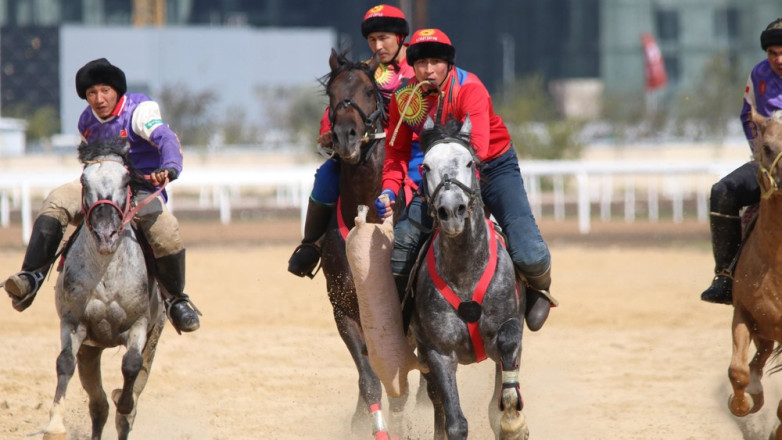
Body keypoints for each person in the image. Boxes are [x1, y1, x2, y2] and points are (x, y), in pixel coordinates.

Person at [374, 28, 556, 330]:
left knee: (529, 252)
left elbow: (479, 148)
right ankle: (403, 319)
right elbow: (396, 153)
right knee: (404, 241)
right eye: (420, 63)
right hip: (442, 174)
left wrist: (454, 185)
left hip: (493, 168)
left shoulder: (470, 88)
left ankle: (539, 289)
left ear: (448, 64)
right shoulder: (404, 98)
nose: (428, 70)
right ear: (413, 65)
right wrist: (388, 191)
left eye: (435, 62)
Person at [2, 58, 200, 333]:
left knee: (166, 229)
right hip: (99, 187)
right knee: (56, 201)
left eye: (105, 90)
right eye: (92, 93)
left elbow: (165, 138)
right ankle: (30, 278)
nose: (99, 99)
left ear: (117, 90)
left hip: (140, 185)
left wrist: (168, 167)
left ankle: (176, 300)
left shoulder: (140, 110)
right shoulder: (86, 121)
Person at [287, 4, 423, 278]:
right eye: (372, 40)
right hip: (366, 153)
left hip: (415, 153)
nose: (377, 45)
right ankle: (311, 245)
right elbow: (338, 108)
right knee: (325, 176)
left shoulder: (420, 70)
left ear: (400, 38)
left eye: (383, 38)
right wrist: (329, 130)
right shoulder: (362, 73)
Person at [701, 18, 782, 304]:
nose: (778, 59)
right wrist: (762, 153)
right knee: (722, 192)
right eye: (772, 53)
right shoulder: (759, 75)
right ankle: (724, 276)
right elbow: (747, 116)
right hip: (769, 161)